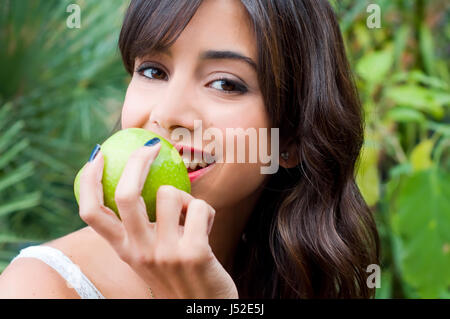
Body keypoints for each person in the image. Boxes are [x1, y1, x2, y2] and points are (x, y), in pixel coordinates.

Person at [0, 0, 379, 299]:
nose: (167, 114)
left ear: (291, 139)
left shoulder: (302, 273)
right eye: (153, 71)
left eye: (225, 84)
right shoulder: (40, 287)